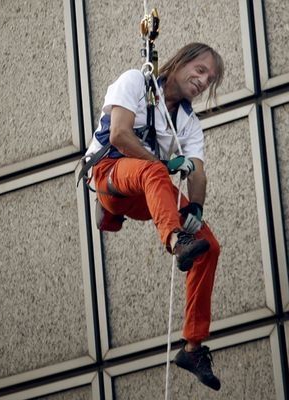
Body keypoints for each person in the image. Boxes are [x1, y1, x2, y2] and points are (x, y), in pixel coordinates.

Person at [81, 43, 224, 390]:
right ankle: (176, 242)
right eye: (201, 70)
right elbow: (119, 133)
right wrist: (163, 165)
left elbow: (198, 173)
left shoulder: (188, 122)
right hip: (109, 174)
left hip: (147, 192)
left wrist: (196, 208)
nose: (203, 81)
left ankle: (192, 346)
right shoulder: (135, 82)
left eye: (210, 79)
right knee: (155, 173)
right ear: (181, 61)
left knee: (209, 245)